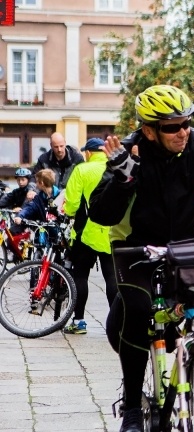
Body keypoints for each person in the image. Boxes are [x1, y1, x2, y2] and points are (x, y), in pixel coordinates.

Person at [88, 84, 194, 432]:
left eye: (187, 123)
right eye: (172, 126)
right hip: (135, 247)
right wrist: (123, 176)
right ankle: (133, 407)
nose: (183, 131)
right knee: (136, 312)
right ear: (149, 130)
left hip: (183, 244)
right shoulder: (130, 151)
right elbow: (101, 214)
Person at [61, 138, 118, 335]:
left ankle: (79, 322)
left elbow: (72, 204)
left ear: (89, 153)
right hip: (112, 233)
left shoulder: (82, 170)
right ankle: (117, 323)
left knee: (80, 275)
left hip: (85, 233)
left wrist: (69, 212)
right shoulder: (115, 168)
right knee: (112, 277)